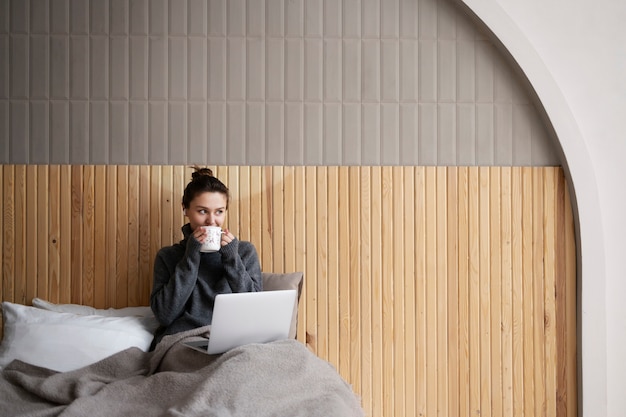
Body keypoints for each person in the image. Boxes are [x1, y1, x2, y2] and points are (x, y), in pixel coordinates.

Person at [149, 166, 263, 349]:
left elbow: (256, 311)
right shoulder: (169, 256)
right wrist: (191, 256)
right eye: (203, 211)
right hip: (184, 339)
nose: (212, 221)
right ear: (185, 209)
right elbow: (165, 315)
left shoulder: (244, 252)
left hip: (234, 341)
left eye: (219, 211)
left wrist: (231, 259)